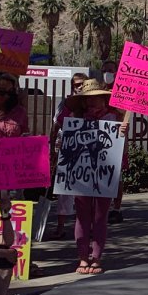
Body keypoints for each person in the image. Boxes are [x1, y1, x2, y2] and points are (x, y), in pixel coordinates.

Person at [58, 79, 123, 275]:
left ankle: (96, 257)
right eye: (87, 99)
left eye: (95, 98)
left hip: (104, 174)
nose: (91, 103)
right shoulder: (75, 119)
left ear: (104, 99)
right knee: (82, 216)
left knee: (100, 217)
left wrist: (123, 131)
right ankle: (82, 257)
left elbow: (120, 146)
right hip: (81, 175)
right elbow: (60, 122)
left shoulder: (115, 119)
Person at [48, 73, 87, 239]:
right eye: (76, 84)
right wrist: (51, 147)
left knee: (85, 192)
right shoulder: (65, 103)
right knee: (64, 190)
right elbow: (56, 125)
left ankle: (86, 227)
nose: (78, 87)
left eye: (82, 84)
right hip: (66, 149)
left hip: (86, 151)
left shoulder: (91, 105)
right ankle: (61, 226)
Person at [100, 60, 133, 222]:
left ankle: (116, 208)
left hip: (117, 140)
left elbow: (125, 111)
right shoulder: (98, 90)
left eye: (110, 70)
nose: (107, 73)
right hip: (99, 140)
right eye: (104, 70)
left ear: (116, 72)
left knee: (116, 176)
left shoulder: (122, 91)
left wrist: (112, 100)